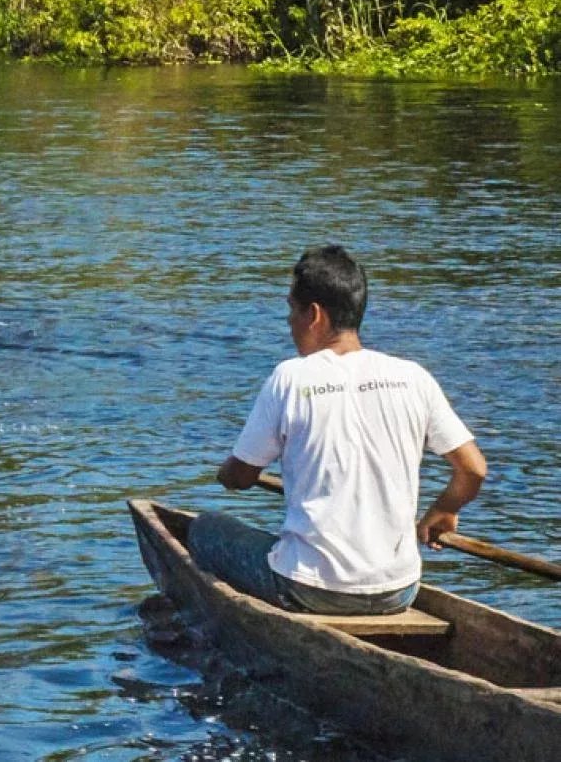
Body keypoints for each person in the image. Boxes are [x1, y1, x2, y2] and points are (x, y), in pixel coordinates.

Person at [189, 246, 488, 617]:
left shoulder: (291, 378)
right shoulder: (414, 377)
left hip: (309, 589)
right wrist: (444, 509)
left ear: (314, 315)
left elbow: (241, 476)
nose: (289, 322)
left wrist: (226, 473)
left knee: (204, 529)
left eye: (291, 310)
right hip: (399, 590)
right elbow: (473, 469)